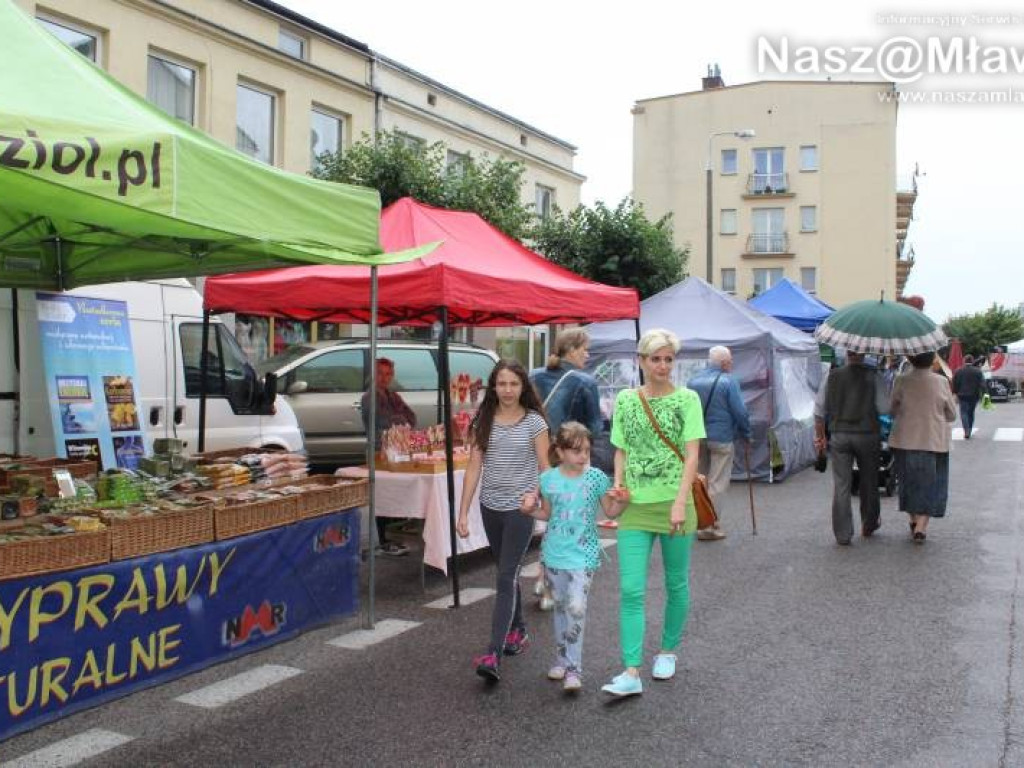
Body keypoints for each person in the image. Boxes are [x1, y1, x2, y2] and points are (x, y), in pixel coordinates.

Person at [600, 328, 705, 698]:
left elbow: (692, 454)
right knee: (631, 589)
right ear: (641, 361)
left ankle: (667, 651)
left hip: (676, 505)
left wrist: (680, 500)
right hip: (636, 507)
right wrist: (618, 484)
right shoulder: (627, 400)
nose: (663, 366)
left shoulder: (688, 399)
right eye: (655, 358)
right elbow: (621, 450)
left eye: (668, 359)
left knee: (676, 583)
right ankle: (631, 670)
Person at [457, 359, 550, 682]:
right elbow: (474, 466)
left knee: (505, 575)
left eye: (513, 384)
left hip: (519, 511)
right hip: (489, 507)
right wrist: (463, 511)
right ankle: (519, 631)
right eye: (501, 384)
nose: (507, 390)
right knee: (505, 574)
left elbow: (545, 467)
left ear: (523, 386)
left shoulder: (535, 423)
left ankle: (493, 653)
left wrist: (537, 498)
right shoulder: (484, 419)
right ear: (493, 387)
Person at [519, 422, 627, 692]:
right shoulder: (548, 480)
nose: (583, 456)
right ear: (561, 451)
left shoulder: (596, 478)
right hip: (554, 554)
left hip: (585, 554)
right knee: (560, 608)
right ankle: (561, 659)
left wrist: (623, 499)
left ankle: (573, 670)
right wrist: (528, 511)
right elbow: (547, 514)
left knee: (576, 608)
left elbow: (611, 512)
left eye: (587, 450)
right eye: (577, 451)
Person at [530, 328, 605, 610]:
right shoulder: (585, 382)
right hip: (571, 461)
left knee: (549, 521)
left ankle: (542, 577)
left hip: (539, 455)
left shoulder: (534, 375)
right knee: (566, 525)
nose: (587, 354)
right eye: (585, 348)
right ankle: (551, 584)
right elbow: (594, 428)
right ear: (572, 350)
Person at [814, 351, 890, 545]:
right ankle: (869, 523)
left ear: (847, 354)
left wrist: (821, 437)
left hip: (839, 434)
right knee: (869, 481)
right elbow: (884, 409)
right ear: (863, 354)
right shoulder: (875, 375)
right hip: (867, 434)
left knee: (841, 484)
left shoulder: (832, 376)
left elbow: (819, 411)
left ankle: (843, 533)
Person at [889, 351, 958, 543]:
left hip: (905, 440)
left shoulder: (901, 380)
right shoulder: (941, 382)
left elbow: (892, 409)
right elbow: (951, 414)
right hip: (933, 440)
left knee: (908, 482)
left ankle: (913, 518)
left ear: (911, 359)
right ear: (932, 361)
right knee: (932, 484)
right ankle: (921, 526)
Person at [687, 345, 751, 541]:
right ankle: (710, 526)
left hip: (697, 437)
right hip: (721, 437)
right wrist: (746, 433)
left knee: (700, 480)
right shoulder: (729, 382)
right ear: (724, 363)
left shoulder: (692, 381)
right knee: (718, 482)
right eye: (730, 361)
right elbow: (739, 411)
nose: (731, 364)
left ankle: (698, 523)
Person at [361, 357, 416, 557]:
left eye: (388, 374)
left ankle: (387, 536)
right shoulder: (369, 398)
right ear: (374, 375)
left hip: (396, 452)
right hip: (377, 451)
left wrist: (398, 419)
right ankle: (381, 539)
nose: (384, 378)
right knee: (381, 494)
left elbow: (412, 418)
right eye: (380, 373)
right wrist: (398, 419)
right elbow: (381, 421)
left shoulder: (394, 396)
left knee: (391, 492)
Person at [951, 354, 985, 438]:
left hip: (962, 395)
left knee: (963, 413)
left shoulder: (958, 371)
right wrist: (985, 394)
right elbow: (983, 384)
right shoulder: (978, 371)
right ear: (972, 360)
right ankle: (970, 428)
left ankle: (966, 431)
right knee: (971, 412)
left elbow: (954, 383)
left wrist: (955, 392)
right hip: (974, 395)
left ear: (964, 361)